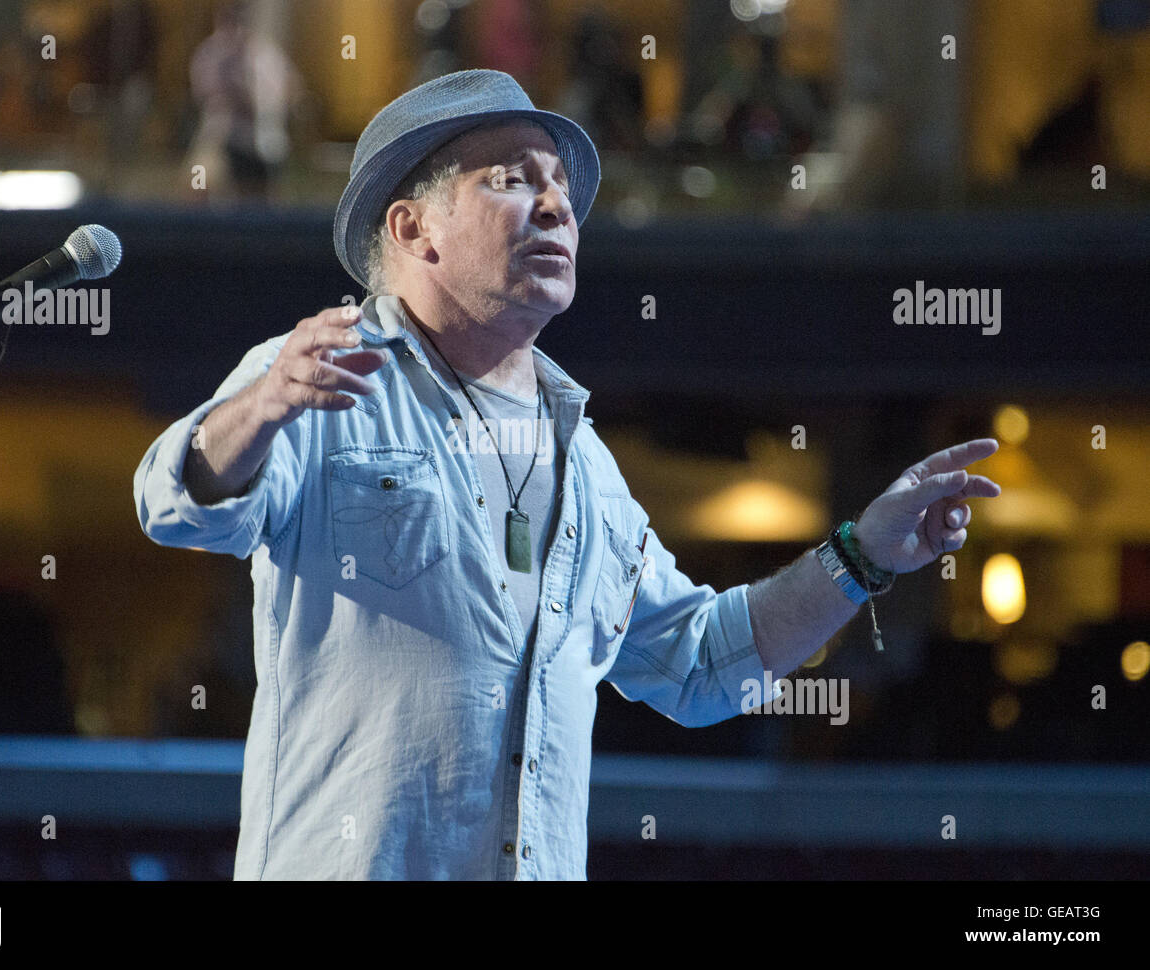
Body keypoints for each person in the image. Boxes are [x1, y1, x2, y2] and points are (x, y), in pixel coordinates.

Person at [133, 69, 1000, 879]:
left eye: (561, 188)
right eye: (511, 180)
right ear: (412, 227)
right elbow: (174, 503)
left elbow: (703, 669)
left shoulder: (586, 464)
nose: (555, 205)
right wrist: (261, 405)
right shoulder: (323, 377)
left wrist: (862, 554)